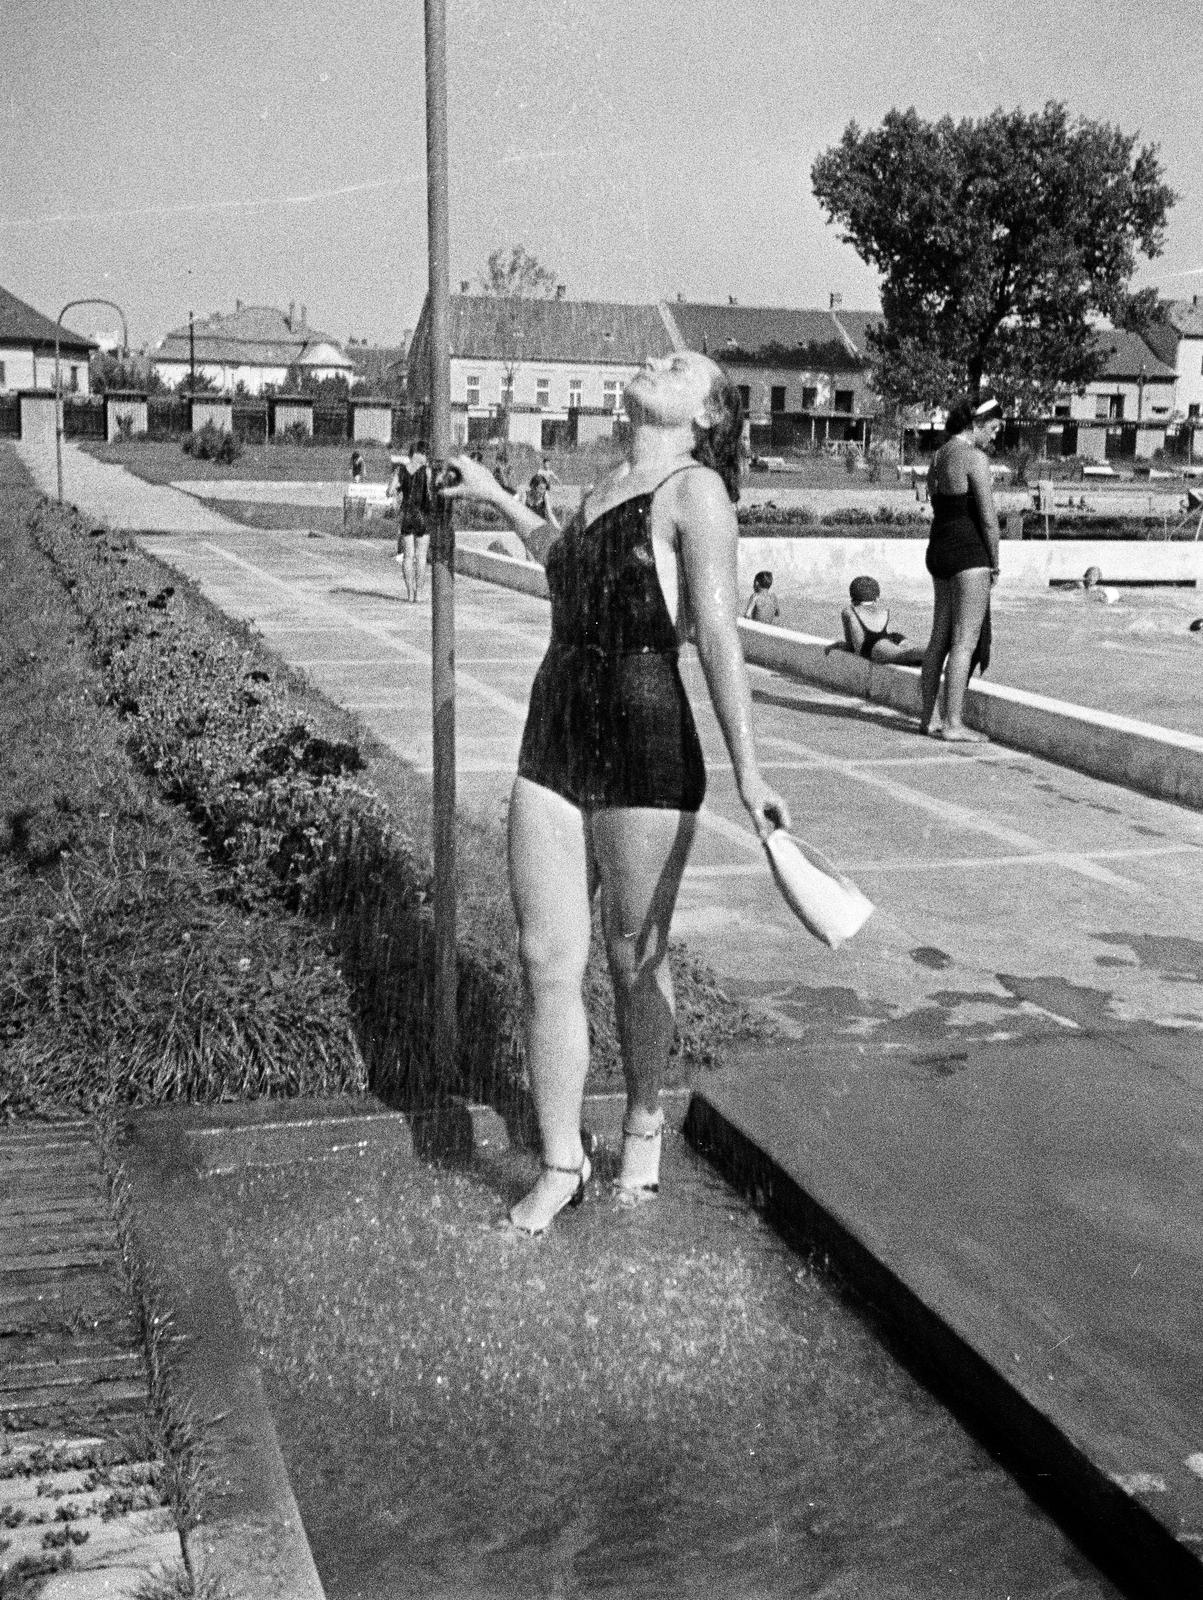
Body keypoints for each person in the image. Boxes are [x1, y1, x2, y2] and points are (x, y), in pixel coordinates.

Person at [444, 350, 790, 1235]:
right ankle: (562, 1160)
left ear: (707, 412)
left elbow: (717, 636)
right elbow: (561, 562)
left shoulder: (694, 492)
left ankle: (641, 1124)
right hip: (553, 725)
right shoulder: (602, 485)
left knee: (634, 956)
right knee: (541, 959)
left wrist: (750, 773)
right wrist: (491, 491)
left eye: (681, 364)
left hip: (645, 735)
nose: (657, 359)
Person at [919, 395, 1002, 741]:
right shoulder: (974, 458)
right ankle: (953, 723)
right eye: (993, 428)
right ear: (976, 424)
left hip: (938, 548)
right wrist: (995, 562)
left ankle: (927, 719)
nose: (995, 436)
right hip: (969, 554)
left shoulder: (938, 456)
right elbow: (988, 519)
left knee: (938, 638)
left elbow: (937, 503)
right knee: (964, 642)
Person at [826, 575, 925, 665]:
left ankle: (936, 655)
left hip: (872, 645)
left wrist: (838, 645)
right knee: (911, 652)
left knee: (903, 655)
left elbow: (850, 646)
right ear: (877, 597)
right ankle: (936, 655)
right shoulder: (883, 611)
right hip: (892, 638)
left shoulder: (848, 611)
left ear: (852, 596)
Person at [392, 440, 431, 603]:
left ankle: (409, 593)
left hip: (407, 515)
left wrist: (397, 489)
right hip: (422, 515)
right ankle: (419, 594)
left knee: (408, 556)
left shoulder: (400, 470)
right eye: (425, 454)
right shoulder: (427, 471)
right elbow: (431, 492)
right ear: (421, 454)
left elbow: (389, 491)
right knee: (421, 557)